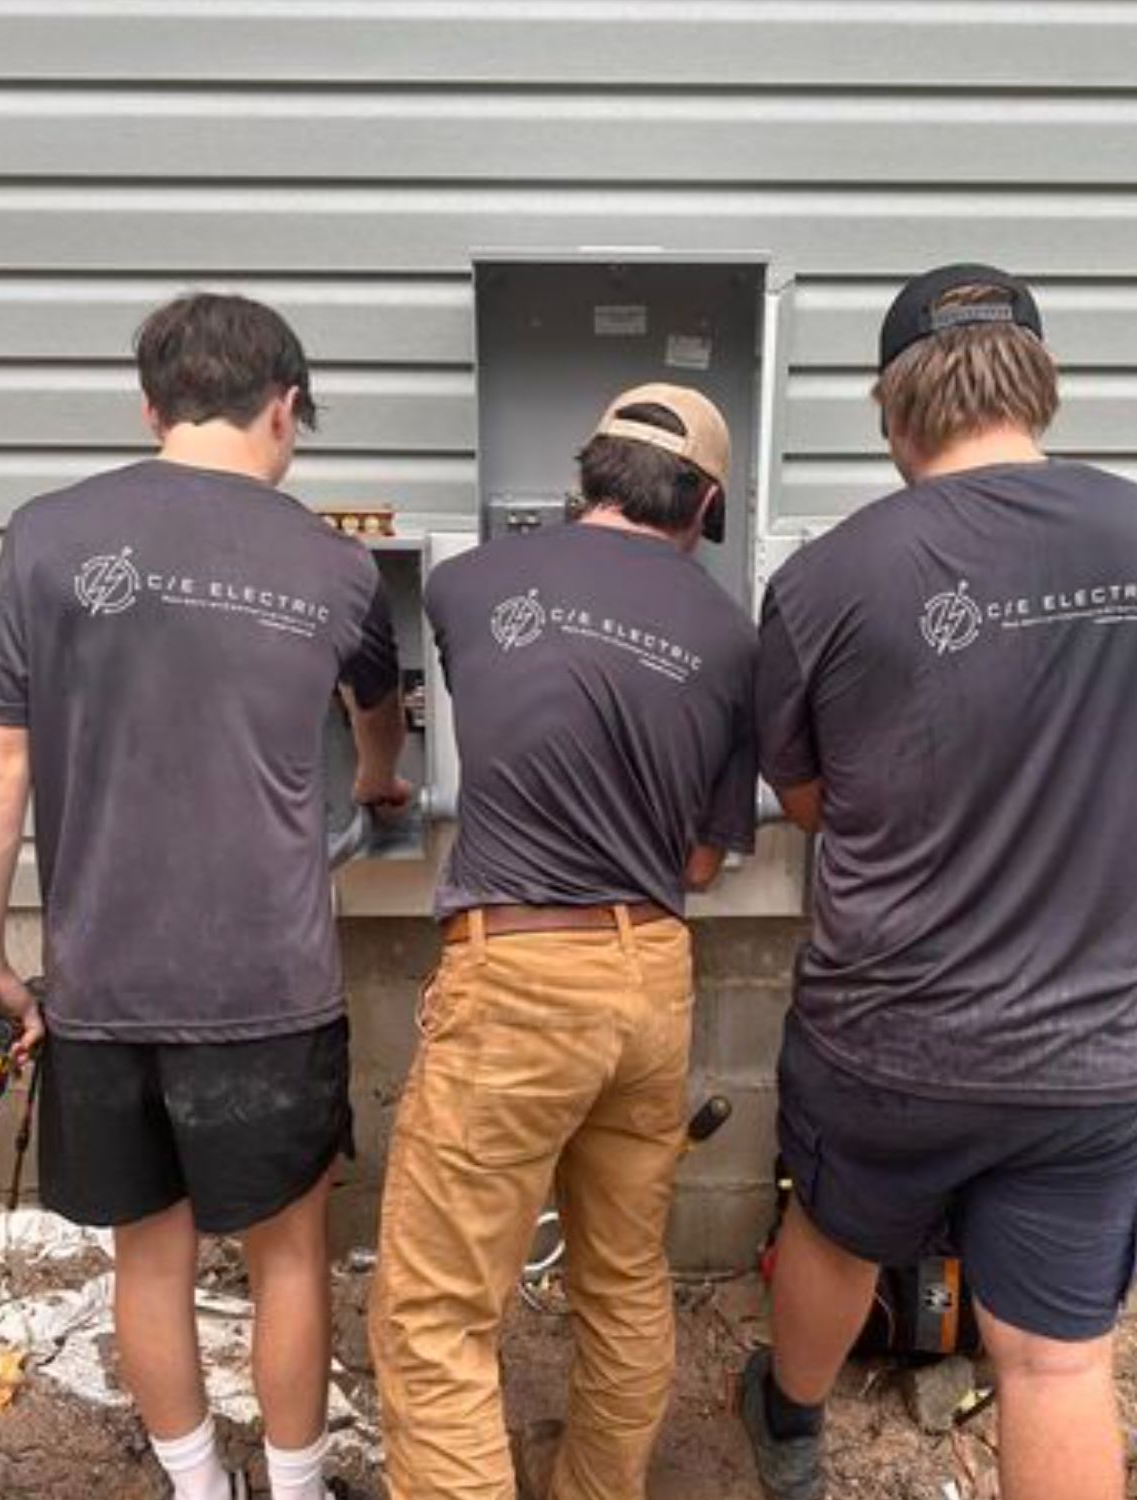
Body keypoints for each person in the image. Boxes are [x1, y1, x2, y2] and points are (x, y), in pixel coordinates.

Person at [740, 264, 1137, 1500]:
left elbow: (806, 802)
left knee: (836, 1238)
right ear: (1040, 385)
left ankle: (789, 1429)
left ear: (893, 409)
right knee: (1057, 1360)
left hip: (888, 1044)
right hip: (1100, 1048)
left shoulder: (827, 581)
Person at [0, 292, 408, 1500]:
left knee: (148, 1257)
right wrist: (378, 781)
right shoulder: (339, 565)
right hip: (270, 986)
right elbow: (379, 716)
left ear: (152, 408)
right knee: (289, 1256)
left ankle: (200, 1488)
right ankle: (297, 1490)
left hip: (104, 982)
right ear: (285, 408)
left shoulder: (46, 536)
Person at [370, 384, 759, 1500]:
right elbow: (699, 864)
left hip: (518, 972)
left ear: (586, 474)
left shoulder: (469, 583)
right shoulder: (734, 644)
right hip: (652, 977)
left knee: (439, 1307)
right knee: (624, 1277)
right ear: (706, 507)